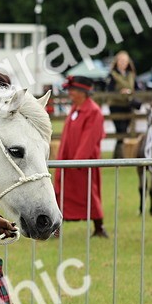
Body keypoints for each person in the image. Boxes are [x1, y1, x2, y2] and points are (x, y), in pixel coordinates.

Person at [55, 76, 107, 237]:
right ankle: (55, 228)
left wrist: (78, 161)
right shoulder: (75, 109)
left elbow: (90, 138)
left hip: (82, 163)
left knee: (89, 194)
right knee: (59, 194)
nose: (70, 93)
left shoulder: (93, 111)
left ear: (83, 93)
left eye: (73, 90)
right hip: (67, 161)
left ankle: (99, 228)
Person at [106, 51, 139, 156]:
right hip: (116, 105)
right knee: (120, 130)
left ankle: (119, 154)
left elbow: (137, 88)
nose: (123, 63)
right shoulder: (112, 75)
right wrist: (120, 93)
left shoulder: (131, 75)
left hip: (128, 105)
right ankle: (119, 154)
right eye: (121, 61)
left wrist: (131, 93)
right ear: (117, 62)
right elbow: (108, 91)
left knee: (124, 130)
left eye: (125, 61)